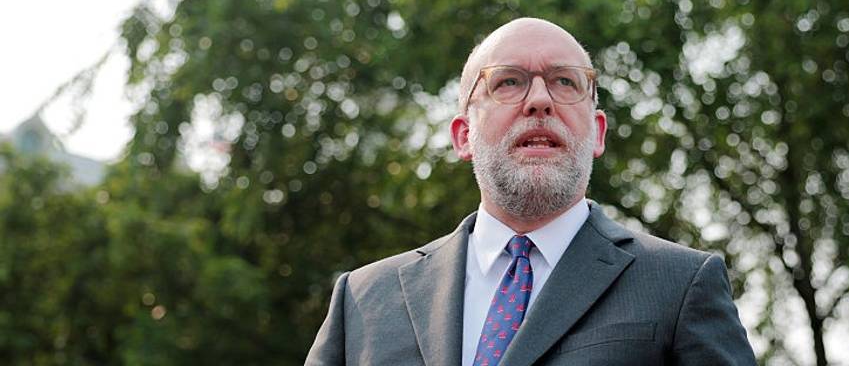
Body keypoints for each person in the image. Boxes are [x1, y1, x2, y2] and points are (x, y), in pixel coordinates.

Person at [305, 18, 755, 366]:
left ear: (598, 133)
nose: (540, 100)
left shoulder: (682, 284)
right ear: (463, 135)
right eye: (508, 81)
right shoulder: (363, 300)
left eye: (565, 82)